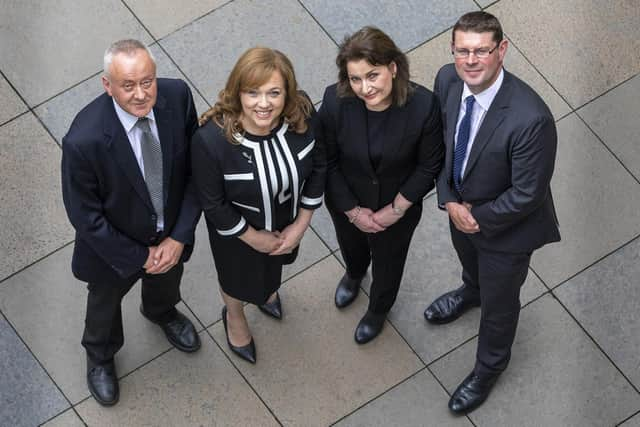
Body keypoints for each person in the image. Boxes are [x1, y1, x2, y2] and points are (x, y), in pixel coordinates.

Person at [425, 11, 561, 414]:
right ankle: (472, 291)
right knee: (471, 266)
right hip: (459, 209)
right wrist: (450, 200)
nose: (470, 60)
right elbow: (441, 145)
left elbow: (528, 194)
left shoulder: (531, 118)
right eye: (462, 51)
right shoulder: (447, 81)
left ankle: (488, 368)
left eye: (481, 51)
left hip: (508, 231)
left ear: (501, 50)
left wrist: (476, 217)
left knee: (500, 309)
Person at [61, 39, 201, 406]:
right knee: (104, 304)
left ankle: (161, 311)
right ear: (107, 85)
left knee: (168, 278)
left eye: (147, 81)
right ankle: (100, 356)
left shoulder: (178, 96)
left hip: (169, 233)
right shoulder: (83, 141)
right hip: (113, 248)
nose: (141, 94)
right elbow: (85, 217)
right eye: (128, 85)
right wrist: (140, 256)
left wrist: (178, 237)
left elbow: (196, 173)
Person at [191, 47, 325, 364]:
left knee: (272, 269)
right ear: (238, 92)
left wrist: (300, 224)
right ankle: (234, 315)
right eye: (253, 93)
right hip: (236, 236)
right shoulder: (211, 140)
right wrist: (253, 237)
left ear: (287, 94)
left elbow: (320, 165)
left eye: (274, 93)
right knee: (236, 280)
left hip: (286, 223)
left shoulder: (302, 114)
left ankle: (267, 292)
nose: (263, 104)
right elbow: (213, 204)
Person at [317, 27, 444, 344]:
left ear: (393, 67)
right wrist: (352, 210)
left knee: (389, 263)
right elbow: (327, 161)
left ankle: (378, 309)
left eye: (372, 75)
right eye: (356, 78)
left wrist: (396, 210)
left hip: (397, 207)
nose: (364, 88)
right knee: (352, 245)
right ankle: (355, 273)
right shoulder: (335, 101)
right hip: (347, 200)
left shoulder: (423, 105)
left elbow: (429, 165)